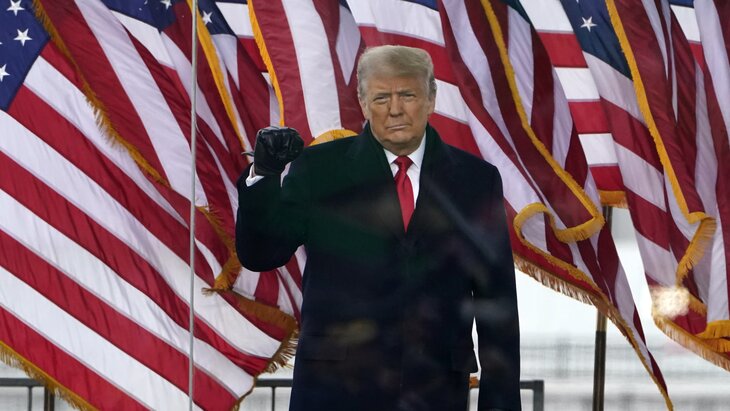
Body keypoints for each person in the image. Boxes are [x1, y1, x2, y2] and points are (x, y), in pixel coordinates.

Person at [236, 45, 520, 411]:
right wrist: (265, 175)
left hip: (435, 393)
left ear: (431, 98)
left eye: (408, 95)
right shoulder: (320, 169)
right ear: (363, 102)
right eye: (382, 98)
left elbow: (496, 301)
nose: (395, 109)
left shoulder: (475, 180)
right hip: (333, 392)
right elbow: (261, 253)